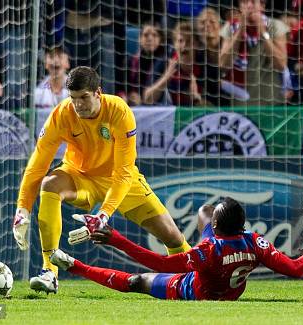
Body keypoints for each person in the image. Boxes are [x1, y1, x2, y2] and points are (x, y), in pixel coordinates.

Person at [12, 66, 191, 294]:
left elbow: (125, 172)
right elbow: (37, 164)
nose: (78, 105)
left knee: (173, 237)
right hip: (79, 177)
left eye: (84, 97)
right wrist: (22, 208)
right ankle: (49, 273)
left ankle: (194, 276)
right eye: (73, 98)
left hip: (121, 180)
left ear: (98, 92)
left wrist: (104, 214)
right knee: (50, 184)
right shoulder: (62, 114)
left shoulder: (118, 111)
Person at [49, 197, 303, 300]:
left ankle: (75, 266)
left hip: (193, 290)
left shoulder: (206, 250)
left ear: (215, 227)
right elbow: (296, 269)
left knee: (136, 281)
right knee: (205, 209)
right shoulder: (254, 241)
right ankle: (73, 265)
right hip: (231, 286)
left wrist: (116, 238)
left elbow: (159, 264)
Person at [219, 0, 290, 106]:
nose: (248, 6)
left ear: (262, 6)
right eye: (244, 2)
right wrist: (239, 32)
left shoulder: (275, 25)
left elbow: (281, 65)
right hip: (240, 103)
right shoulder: (230, 27)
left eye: (253, 2)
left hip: (271, 102)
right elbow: (223, 65)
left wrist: (263, 33)